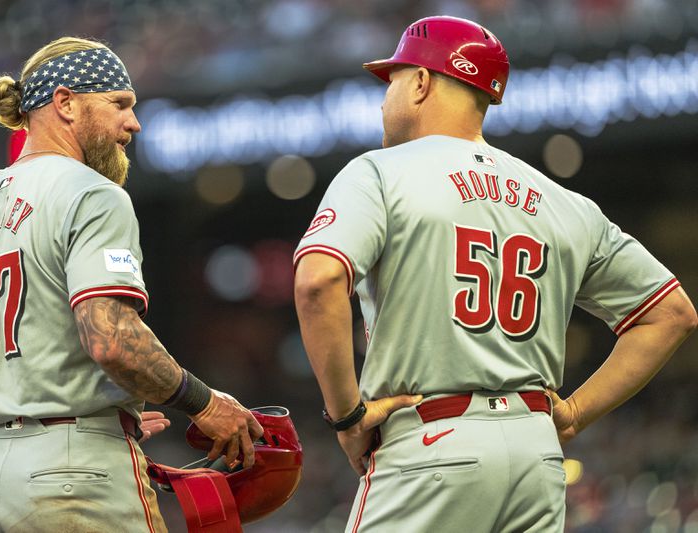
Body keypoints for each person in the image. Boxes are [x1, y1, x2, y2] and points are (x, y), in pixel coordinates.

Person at [293, 16, 697, 533]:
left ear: (420, 82)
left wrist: (347, 418)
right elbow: (672, 313)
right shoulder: (561, 200)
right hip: (536, 455)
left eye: (392, 79)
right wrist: (574, 413)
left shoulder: (378, 172)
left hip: (431, 445)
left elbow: (317, 282)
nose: (383, 97)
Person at [0, 36, 263, 533]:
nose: (133, 123)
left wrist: (70, 412)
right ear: (65, 103)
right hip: (75, 477)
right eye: (119, 104)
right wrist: (203, 404)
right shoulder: (92, 194)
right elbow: (112, 339)